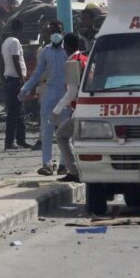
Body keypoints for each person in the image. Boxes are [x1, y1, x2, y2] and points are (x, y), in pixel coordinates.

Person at [19, 21, 69, 175]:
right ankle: (46, 163)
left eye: (58, 30)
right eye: (53, 30)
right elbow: (37, 72)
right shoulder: (45, 52)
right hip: (50, 92)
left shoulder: (69, 51)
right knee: (46, 129)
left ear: (63, 32)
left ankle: (64, 164)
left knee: (65, 130)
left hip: (66, 94)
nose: (55, 33)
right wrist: (26, 88)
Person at [52, 33, 86, 182]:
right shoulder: (85, 59)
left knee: (61, 135)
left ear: (66, 46)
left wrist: (56, 111)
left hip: (80, 108)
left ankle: (74, 171)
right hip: (87, 107)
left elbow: (71, 92)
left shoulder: (72, 62)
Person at [1, 18, 30, 150]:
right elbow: (16, 59)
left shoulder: (6, 42)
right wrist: (21, 78)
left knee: (18, 111)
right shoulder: (15, 41)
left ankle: (20, 139)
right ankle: (10, 141)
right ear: (20, 29)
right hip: (15, 79)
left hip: (10, 78)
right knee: (15, 112)